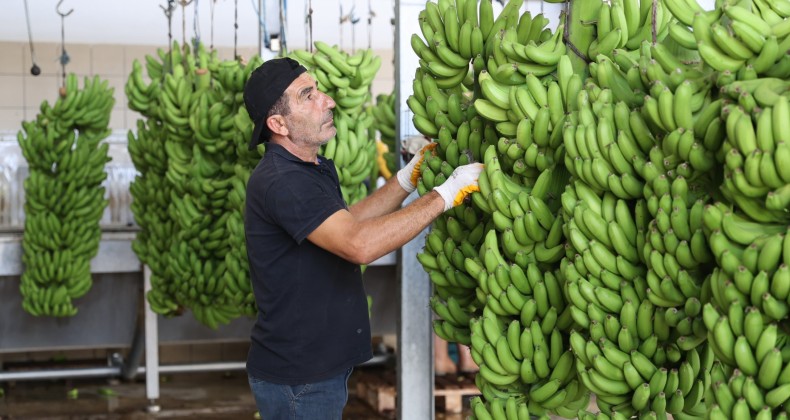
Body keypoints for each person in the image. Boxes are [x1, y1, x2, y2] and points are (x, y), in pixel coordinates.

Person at [242, 57, 484, 419]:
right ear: (278, 124)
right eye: (307, 95)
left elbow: (342, 224)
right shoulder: (283, 181)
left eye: (318, 89)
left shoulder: (308, 168)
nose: (327, 101)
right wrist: (445, 195)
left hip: (313, 369)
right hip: (300, 378)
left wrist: (405, 180)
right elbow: (357, 244)